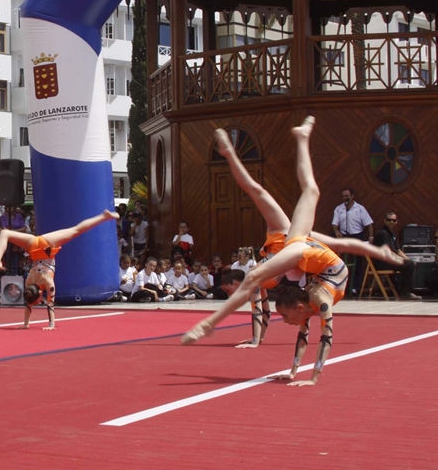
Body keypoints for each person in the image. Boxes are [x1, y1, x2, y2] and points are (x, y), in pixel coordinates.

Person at [181, 119, 402, 386]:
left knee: (305, 191)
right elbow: (326, 339)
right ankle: (208, 324)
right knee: (254, 276)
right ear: (299, 307)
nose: (284, 321)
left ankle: (295, 138)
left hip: (299, 246)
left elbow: (303, 335)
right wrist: (313, 378)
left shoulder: (306, 306)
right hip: (300, 250)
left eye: (284, 317)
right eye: (285, 316)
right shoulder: (319, 301)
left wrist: (295, 371)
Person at [0, 210, 119, 329]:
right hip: (34, 246)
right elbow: (28, 303)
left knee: (76, 230)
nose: (38, 302)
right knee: (5, 233)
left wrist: (51, 325)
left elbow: (50, 305)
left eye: (38, 301)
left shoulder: (47, 283)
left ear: (40, 294)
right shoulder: (29, 282)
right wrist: (26, 324)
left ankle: (103, 217)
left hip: (47, 246)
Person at [371, 212, 422, 300]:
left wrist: (407, 259)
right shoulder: (382, 234)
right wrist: (401, 260)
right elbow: (388, 252)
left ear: (396, 222)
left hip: (390, 260)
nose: (391, 222)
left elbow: (398, 250)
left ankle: (401, 289)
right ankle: (405, 293)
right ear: (384, 221)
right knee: (409, 265)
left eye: (393, 220)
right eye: (389, 220)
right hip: (382, 262)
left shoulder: (392, 234)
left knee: (410, 263)